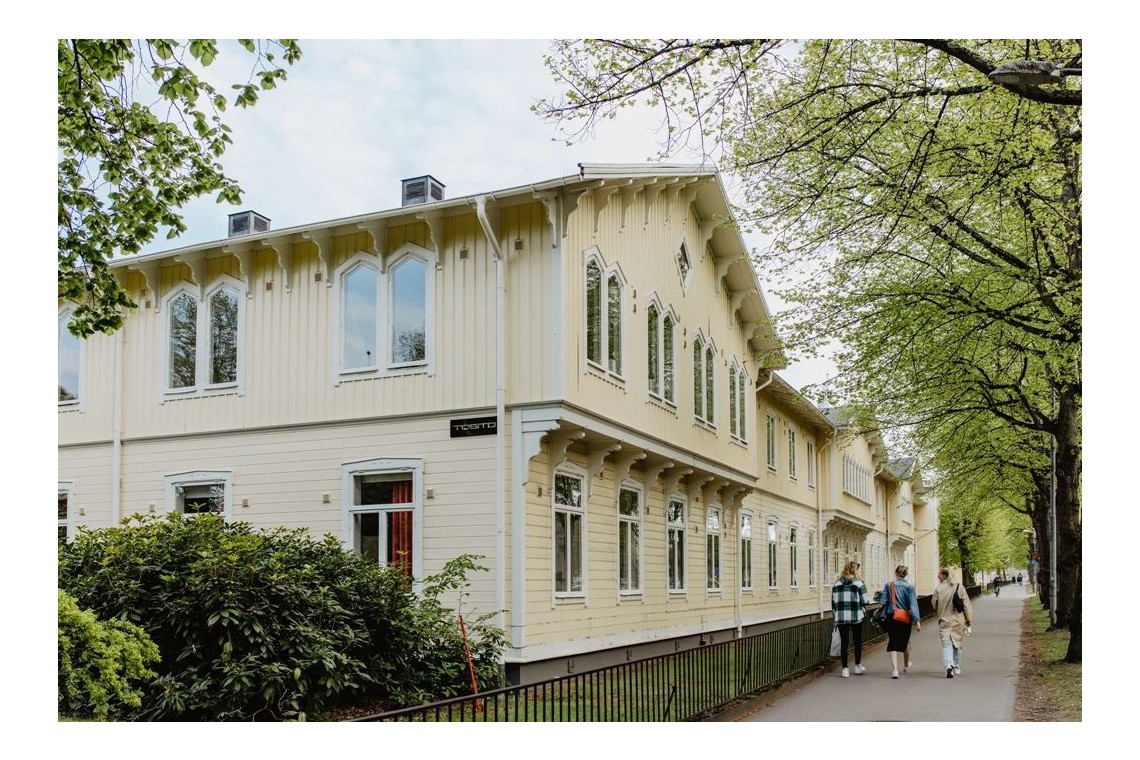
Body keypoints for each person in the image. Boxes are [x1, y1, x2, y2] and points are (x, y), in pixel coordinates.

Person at [931, 567, 974, 678]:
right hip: (958, 620)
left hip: (945, 620)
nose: (938, 576)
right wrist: (969, 619)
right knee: (957, 644)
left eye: (939, 574)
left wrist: (940, 608)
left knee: (946, 644)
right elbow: (966, 604)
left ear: (945, 575)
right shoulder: (959, 587)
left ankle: (948, 666)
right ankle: (956, 667)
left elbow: (933, 603)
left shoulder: (939, 588)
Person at [880, 565, 921, 679]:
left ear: (896, 573)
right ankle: (906, 665)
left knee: (893, 641)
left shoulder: (889, 585)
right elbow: (913, 604)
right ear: (906, 574)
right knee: (905, 641)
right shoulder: (910, 587)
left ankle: (894, 670)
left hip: (892, 616)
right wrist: (917, 621)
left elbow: (883, 601)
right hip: (905, 617)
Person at [831, 560, 869, 677]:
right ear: (854, 570)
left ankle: (845, 669)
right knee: (857, 641)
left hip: (841, 617)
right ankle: (857, 666)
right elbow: (865, 600)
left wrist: (835, 616)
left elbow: (833, 603)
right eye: (858, 569)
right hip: (856, 616)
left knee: (844, 642)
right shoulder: (859, 583)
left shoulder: (837, 584)